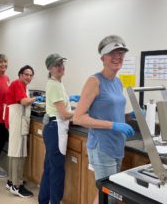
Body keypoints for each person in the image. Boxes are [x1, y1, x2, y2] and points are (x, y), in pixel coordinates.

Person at [73, 35, 135, 204]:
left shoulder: (118, 82)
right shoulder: (94, 81)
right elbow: (78, 117)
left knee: (109, 194)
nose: (118, 56)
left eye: (121, 52)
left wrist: (130, 116)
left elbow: (113, 111)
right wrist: (113, 125)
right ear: (103, 58)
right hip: (102, 146)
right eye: (112, 53)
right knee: (108, 194)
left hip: (117, 144)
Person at [38, 53, 74, 204]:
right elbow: (64, 114)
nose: (61, 67)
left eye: (61, 64)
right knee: (57, 170)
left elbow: (62, 108)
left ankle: (43, 200)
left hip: (52, 128)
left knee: (50, 167)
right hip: (56, 129)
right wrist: (82, 112)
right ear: (50, 68)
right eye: (56, 65)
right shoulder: (54, 84)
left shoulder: (57, 83)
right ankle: (54, 201)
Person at [6, 65, 40, 198]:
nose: (29, 77)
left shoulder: (22, 86)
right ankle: (17, 185)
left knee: (14, 151)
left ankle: (11, 181)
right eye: (26, 74)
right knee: (18, 152)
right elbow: (24, 101)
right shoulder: (17, 83)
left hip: (18, 120)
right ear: (20, 75)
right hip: (17, 120)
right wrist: (36, 99)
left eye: (31, 75)